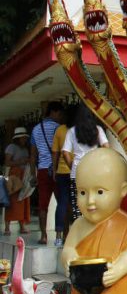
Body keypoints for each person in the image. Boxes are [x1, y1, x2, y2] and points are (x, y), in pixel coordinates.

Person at [60, 148, 127, 294]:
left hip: (110, 283)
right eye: (82, 192)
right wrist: (68, 258)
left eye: (99, 192)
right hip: (82, 283)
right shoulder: (79, 224)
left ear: (123, 190)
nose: (90, 201)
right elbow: (68, 248)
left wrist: (119, 269)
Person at [62, 105, 109, 221]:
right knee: (94, 204)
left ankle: (81, 232)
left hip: (77, 172)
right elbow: (106, 147)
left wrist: (72, 165)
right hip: (94, 172)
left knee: (78, 205)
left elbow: (65, 152)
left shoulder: (72, 131)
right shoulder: (98, 129)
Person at [30, 101, 64, 244]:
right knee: (62, 203)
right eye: (60, 113)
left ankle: (44, 236)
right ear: (54, 112)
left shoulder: (36, 130)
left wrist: (33, 175)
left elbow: (33, 156)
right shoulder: (59, 129)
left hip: (43, 170)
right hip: (58, 170)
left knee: (43, 205)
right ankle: (59, 235)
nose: (61, 117)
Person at [51, 105, 74, 246]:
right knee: (77, 204)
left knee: (62, 203)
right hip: (77, 172)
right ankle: (73, 235)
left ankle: (59, 236)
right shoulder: (80, 130)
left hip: (62, 171)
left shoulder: (60, 130)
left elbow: (55, 152)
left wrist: (54, 169)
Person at [4, 128, 31, 235]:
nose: (24, 139)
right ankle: (7, 227)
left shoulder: (25, 149)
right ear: (18, 138)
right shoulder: (11, 147)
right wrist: (20, 161)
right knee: (12, 201)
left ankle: (22, 226)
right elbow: (7, 162)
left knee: (23, 200)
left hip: (24, 176)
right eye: (23, 137)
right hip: (15, 177)